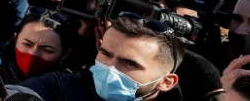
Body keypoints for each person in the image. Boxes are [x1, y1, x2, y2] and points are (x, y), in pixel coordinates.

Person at [14, 15, 184, 100]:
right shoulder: (60, 86)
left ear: (166, 82)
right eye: (105, 54)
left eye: (129, 63)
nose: (110, 67)